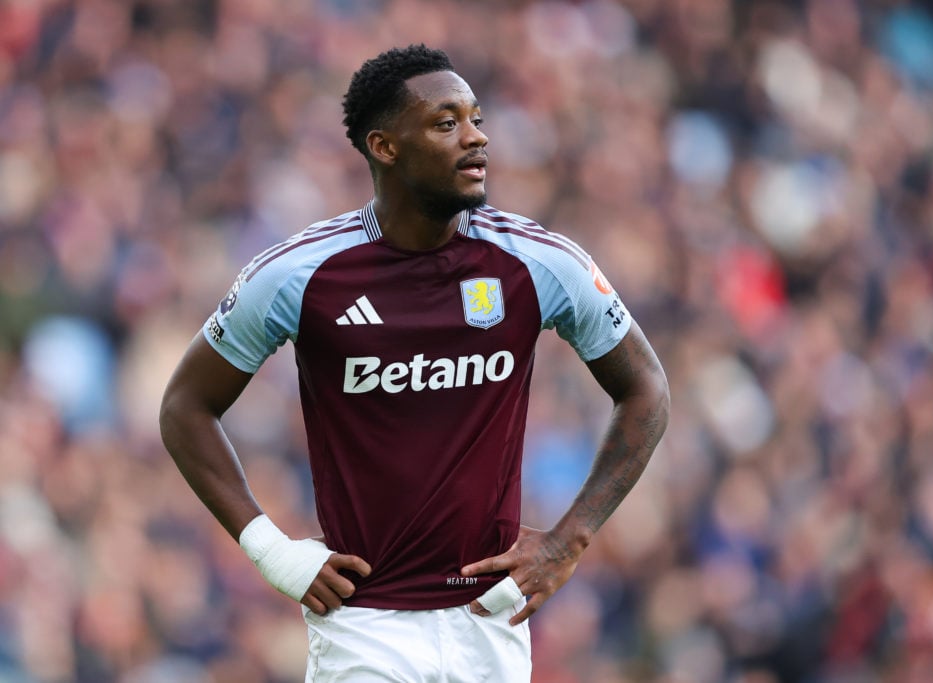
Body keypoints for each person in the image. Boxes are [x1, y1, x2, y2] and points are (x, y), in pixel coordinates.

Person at [159, 44, 670, 682]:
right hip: (364, 624)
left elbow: (646, 387)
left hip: (490, 621)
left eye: (477, 119)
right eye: (446, 122)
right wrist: (269, 551)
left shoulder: (538, 263)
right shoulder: (301, 274)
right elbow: (185, 406)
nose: (477, 137)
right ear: (384, 146)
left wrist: (572, 539)